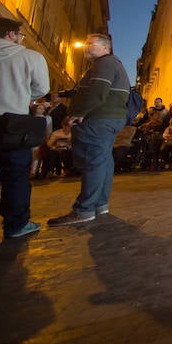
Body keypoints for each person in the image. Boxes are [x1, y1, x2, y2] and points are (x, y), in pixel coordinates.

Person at [48, 33, 130, 226]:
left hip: (98, 119)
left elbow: (97, 92)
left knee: (93, 161)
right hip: (108, 118)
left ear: (105, 48)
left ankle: (84, 209)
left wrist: (78, 113)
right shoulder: (110, 64)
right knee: (102, 161)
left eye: (91, 44)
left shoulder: (105, 64)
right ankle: (99, 204)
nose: (86, 48)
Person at [0, 17, 50, 238]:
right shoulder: (29, 57)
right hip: (13, 123)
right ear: (10, 35)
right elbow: (41, 88)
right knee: (15, 175)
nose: (21, 38)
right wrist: (19, 93)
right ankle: (16, 224)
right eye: (20, 34)